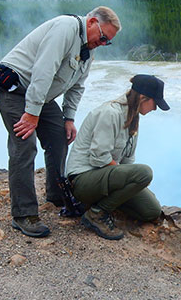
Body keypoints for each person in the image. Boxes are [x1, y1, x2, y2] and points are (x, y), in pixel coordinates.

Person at [0, 6, 121, 238]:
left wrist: (69, 118)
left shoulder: (88, 49)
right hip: (14, 88)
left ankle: (56, 194)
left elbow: (77, 85)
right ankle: (24, 214)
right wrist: (32, 113)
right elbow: (43, 70)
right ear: (92, 22)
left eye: (108, 42)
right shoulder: (66, 28)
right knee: (24, 143)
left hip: (40, 94)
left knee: (58, 137)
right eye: (103, 37)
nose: (102, 44)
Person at [65, 74, 169, 240]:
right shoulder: (110, 113)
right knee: (144, 173)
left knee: (151, 210)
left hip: (104, 178)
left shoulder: (133, 117)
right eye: (154, 103)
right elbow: (99, 158)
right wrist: (131, 179)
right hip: (83, 179)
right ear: (143, 98)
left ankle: (103, 204)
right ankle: (97, 213)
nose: (155, 108)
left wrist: (131, 183)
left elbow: (128, 161)